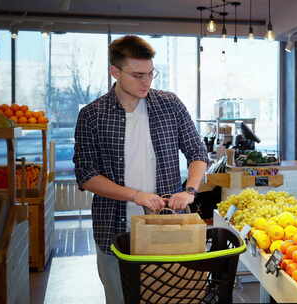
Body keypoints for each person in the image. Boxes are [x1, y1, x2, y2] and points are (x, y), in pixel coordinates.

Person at [73, 35, 208, 303]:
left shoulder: (170, 104)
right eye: (137, 75)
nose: (146, 82)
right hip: (113, 229)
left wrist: (190, 190)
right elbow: (86, 175)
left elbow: (197, 153)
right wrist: (136, 195)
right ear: (115, 71)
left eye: (150, 74)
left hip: (169, 226)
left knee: (173, 296)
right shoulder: (92, 115)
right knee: (120, 297)